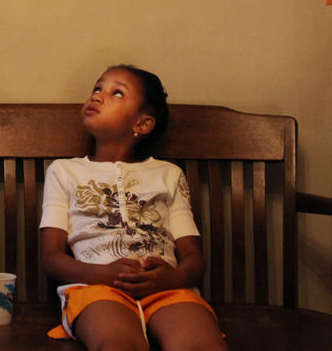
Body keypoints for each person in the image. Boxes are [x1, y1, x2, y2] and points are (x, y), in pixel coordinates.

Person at [39, 65, 227, 350]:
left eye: (116, 92)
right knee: (117, 342)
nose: (98, 96)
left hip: (166, 288)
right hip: (96, 288)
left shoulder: (168, 175)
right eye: (97, 88)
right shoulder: (64, 172)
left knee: (200, 344)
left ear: (142, 124)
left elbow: (193, 259)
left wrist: (172, 278)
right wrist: (102, 274)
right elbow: (51, 257)